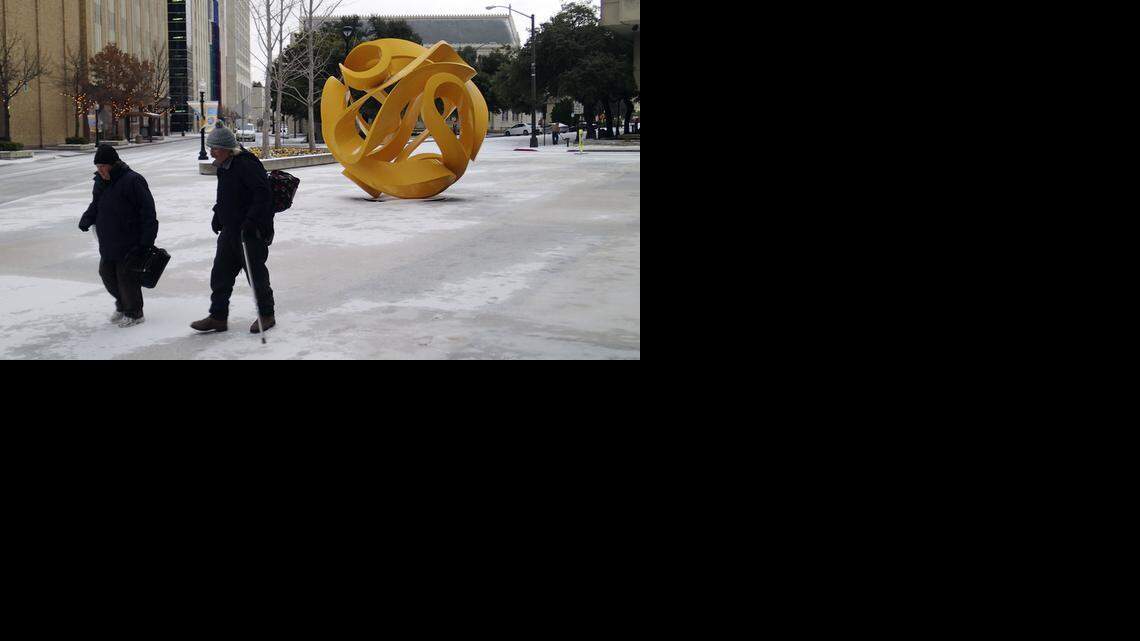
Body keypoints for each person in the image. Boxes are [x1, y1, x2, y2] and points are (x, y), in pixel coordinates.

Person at [190, 125, 276, 334]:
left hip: (249, 233)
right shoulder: (224, 165)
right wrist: (217, 215)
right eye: (211, 148)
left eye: (216, 148)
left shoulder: (247, 165)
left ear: (229, 148)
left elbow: (263, 196)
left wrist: (251, 221)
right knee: (220, 275)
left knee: (256, 276)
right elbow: (226, 196)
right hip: (230, 230)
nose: (212, 152)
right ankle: (218, 317)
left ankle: (266, 315)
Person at [78, 145, 159, 328]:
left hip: (129, 239)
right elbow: (96, 203)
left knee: (126, 276)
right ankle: (123, 305)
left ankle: (135, 312)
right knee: (106, 273)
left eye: (102, 166)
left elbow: (148, 213)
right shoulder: (100, 181)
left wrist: (146, 242)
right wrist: (87, 218)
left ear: (113, 164)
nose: (100, 170)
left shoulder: (133, 180)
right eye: (98, 166)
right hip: (108, 239)